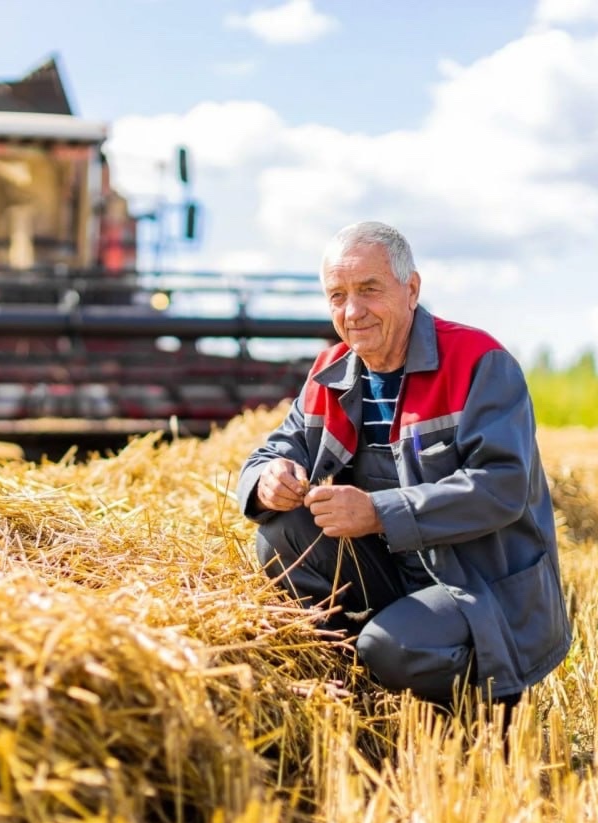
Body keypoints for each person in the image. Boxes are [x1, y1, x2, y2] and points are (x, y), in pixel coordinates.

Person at [237, 221, 571, 718]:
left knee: (392, 648)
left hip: (477, 585)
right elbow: (268, 455)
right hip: (395, 571)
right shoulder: (330, 373)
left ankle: (491, 709)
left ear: (411, 289)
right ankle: (354, 690)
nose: (353, 312)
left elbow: (501, 487)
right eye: (337, 296)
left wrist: (377, 512)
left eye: (369, 290)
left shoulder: (479, 362)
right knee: (281, 531)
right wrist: (267, 482)